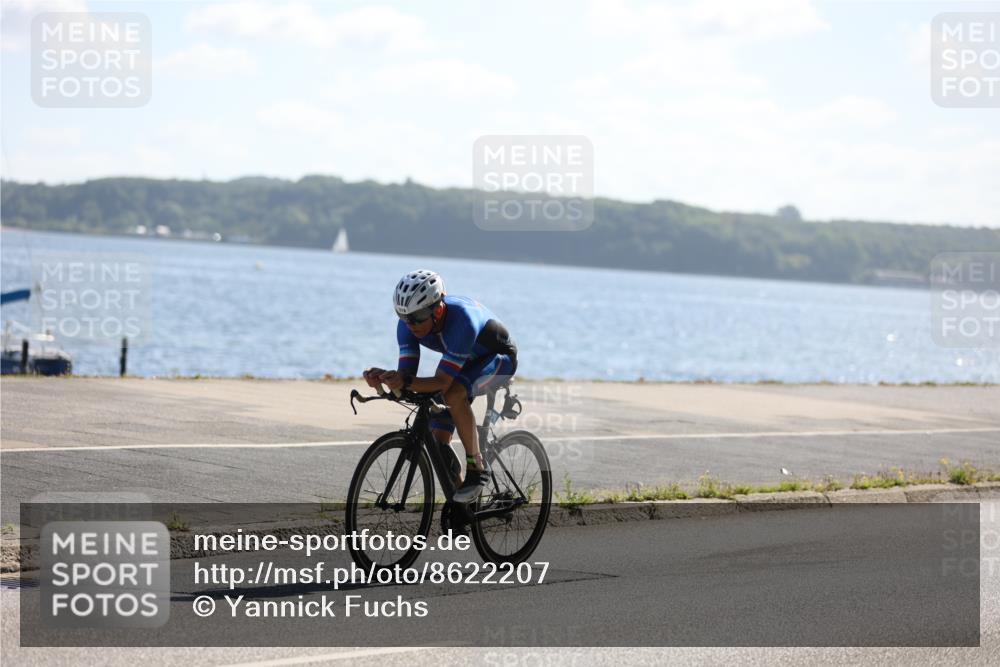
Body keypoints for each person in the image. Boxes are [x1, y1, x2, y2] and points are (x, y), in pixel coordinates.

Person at [363, 270, 517, 503]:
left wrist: (404, 381)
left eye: (417, 317)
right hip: (464, 361)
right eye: (404, 316)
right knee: (438, 442)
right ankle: (463, 507)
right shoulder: (406, 325)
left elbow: (443, 382)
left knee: (453, 393)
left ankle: (477, 467)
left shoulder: (462, 320)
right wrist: (386, 380)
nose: (410, 324)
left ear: (437, 309)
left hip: (499, 359)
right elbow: (407, 376)